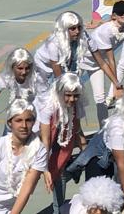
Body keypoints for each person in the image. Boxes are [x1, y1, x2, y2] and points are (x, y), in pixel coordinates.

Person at [80, 3, 124, 127]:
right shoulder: (106, 31)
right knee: (72, 92)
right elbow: (111, 60)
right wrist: (117, 85)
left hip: (98, 64)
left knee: (100, 99)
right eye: (121, 13)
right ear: (114, 16)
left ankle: (103, 130)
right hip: (81, 61)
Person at [36, 73, 84, 210]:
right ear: (60, 92)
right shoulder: (48, 106)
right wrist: (44, 170)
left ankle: (59, 208)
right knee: (31, 177)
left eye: (75, 96)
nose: (72, 99)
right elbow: (45, 141)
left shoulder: (76, 105)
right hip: (38, 138)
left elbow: (77, 129)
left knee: (60, 169)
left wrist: (85, 154)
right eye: (67, 95)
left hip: (61, 133)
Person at [33, 11, 85, 91]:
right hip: (43, 67)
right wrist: (65, 88)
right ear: (64, 29)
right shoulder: (53, 44)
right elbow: (56, 69)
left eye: (79, 27)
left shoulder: (79, 39)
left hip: (62, 64)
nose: (77, 31)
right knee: (47, 93)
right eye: (73, 28)